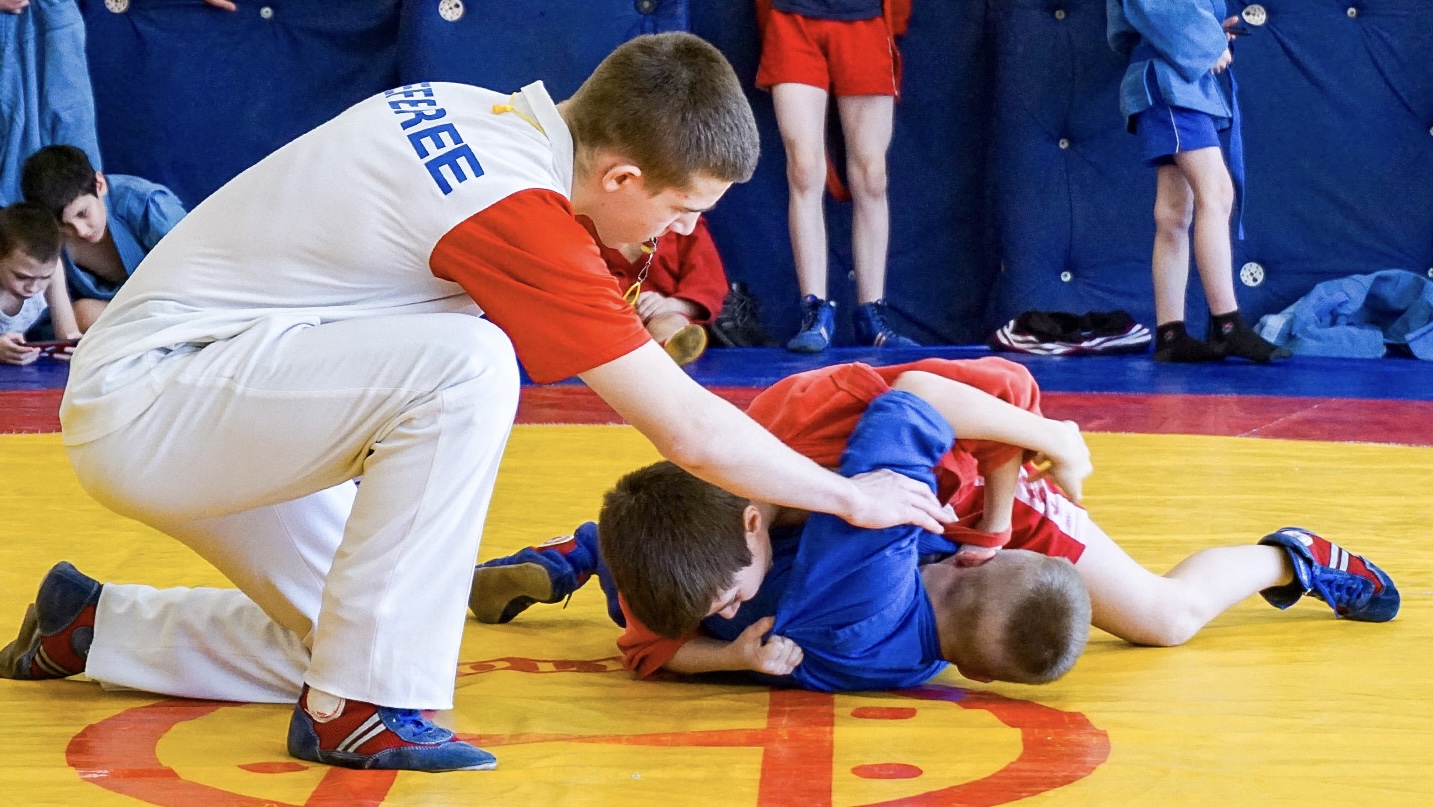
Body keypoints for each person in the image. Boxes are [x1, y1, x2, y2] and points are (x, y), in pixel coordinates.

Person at [0, 32, 950, 774]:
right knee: (469, 365)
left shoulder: (475, 112)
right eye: (681, 209)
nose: (684, 232)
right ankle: (358, 709)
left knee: (364, 631)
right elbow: (687, 427)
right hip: (164, 401)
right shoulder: (513, 207)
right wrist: (849, 496)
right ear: (620, 176)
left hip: (230, 385)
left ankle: (94, 625)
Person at [471, 357, 1398, 681]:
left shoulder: (818, 419)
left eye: (726, 596)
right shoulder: (713, 527)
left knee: (1161, 618)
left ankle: (1289, 559)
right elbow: (658, 644)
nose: (722, 611)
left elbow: (974, 399)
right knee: (676, 587)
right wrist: (733, 652)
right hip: (858, 513)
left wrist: (997, 518)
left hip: (957, 499)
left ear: (756, 521)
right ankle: (589, 547)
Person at [597, 393, 1092, 691]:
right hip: (699, 557)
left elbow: (915, 401)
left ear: (971, 560)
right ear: (975, 675)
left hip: (674, 566)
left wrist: (1048, 441)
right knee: (1164, 615)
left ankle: (587, 546)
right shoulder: (908, 674)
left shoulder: (879, 563)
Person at [1107, 0, 1288, 363]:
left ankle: (1171, 334)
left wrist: (1211, 31)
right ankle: (1227, 324)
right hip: (1170, 78)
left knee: (1174, 212)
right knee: (1215, 192)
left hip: (1176, 76)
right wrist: (1208, 44)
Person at [757, 0, 919, 352]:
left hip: (865, 19)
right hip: (793, 16)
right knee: (803, 168)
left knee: (873, 175)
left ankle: (871, 312)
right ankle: (814, 309)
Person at [20, 144, 188, 331]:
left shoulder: (147, 203)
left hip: (178, 302)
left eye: (83, 213)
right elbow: (36, 318)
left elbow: (197, 264)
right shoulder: (49, 239)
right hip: (119, 320)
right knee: (83, 314)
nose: (81, 231)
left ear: (99, 185)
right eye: (64, 226)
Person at [577, 213, 729, 367]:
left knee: (669, 324)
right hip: (601, 319)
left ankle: (666, 352)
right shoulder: (581, 224)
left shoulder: (684, 225)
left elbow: (708, 284)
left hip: (661, 315)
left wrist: (673, 304)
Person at [0, 202, 81, 364]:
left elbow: (68, 335)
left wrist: (77, 346)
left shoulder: (54, 269)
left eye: (45, 278)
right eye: (21, 277)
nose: (33, 288)